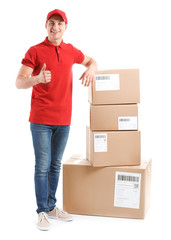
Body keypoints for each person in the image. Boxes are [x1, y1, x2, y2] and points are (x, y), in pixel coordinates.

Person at [16, 9, 97, 231]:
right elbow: (19, 82)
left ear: (65, 27)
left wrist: (92, 68)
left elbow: (91, 60)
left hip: (64, 119)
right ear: (46, 25)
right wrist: (38, 78)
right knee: (42, 166)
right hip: (41, 119)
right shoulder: (35, 51)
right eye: (51, 23)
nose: (55, 27)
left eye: (60, 24)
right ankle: (42, 212)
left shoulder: (70, 51)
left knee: (55, 164)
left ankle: (52, 207)